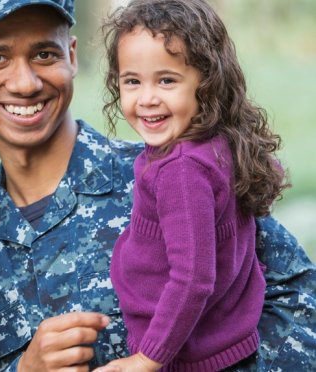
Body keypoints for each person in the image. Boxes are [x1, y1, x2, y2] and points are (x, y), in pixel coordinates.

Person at [0, 0, 316, 371]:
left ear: (72, 56)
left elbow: (300, 300)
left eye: (44, 54)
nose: (25, 83)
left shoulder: (175, 172)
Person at [94, 0, 289, 370]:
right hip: (217, 338)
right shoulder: (215, 142)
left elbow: (194, 279)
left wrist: (149, 358)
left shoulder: (180, 170)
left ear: (206, 81)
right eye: (132, 81)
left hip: (186, 354)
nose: (147, 98)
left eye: (167, 80)